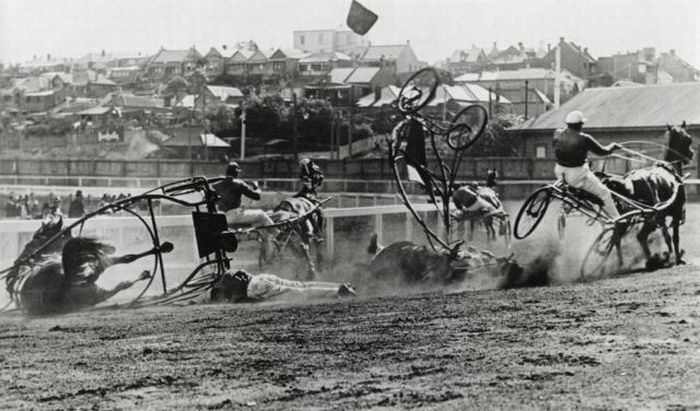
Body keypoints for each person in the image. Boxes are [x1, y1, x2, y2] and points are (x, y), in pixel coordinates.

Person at [553, 110, 621, 219]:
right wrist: (613, 147)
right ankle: (618, 219)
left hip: (559, 172)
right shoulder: (584, 138)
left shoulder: (557, 133)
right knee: (605, 193)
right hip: (576, 176)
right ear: (580, 124)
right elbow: (602, 151)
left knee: (586, 173)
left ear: (567, 123)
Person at [213, 161, 276, 242]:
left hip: (222, 217)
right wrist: (256, 187)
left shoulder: (216, 185)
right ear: (236, 173)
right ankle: (278, 235)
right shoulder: (239, 183)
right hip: (234, 216)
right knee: (262, 215)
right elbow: (256, 196)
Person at [210, 270, 356, 303]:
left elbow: (238, 298)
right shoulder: (229, 273)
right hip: (260, 277)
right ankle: (339, 285)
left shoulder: (223, 284)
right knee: (301, 285)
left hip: (256, 286)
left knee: (300, 292)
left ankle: (338, 290)